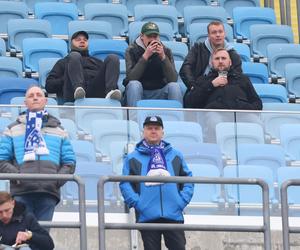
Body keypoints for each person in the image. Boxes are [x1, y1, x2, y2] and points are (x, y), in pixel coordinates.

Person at [0, 86, 76, 221]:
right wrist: (18, 177)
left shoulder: (59, 130)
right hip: (22, 191)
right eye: (31, 96)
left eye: (38, 95)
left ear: (45, 101)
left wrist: (56, 180)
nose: (35, 97)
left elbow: (69, 162)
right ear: (25, 103)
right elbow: (2, 160)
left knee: (41, 238)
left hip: (48, 192)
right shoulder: (12, 129)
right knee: (21, 238)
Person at [120, 116, 194, 250]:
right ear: (143, 132)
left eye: (157, 128)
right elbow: (125, 183)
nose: (153, 131)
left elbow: (188, 179)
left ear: (162, 132)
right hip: (147, 216)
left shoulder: (176, 155)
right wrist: (138, 203)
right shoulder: (132, 158)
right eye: (149, 128)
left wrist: (181, 201)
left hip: (173, 214)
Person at [186, 48, 263, 141]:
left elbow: (257, 103)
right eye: (217, 59)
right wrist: (212, 84)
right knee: (214, 122)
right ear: (212, 63)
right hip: (216, 114)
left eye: (223, 58)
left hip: (241, 114)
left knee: (257, 123)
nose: (220, 61)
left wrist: (243, 107)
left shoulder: (242, 79)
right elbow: (190, 102)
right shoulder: (203, 80)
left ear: (230, 62)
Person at [45, 30, 121, 103]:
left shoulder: (97, 62)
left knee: (113, 58)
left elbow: (109, 79)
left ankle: (110, 93)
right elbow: (49, 86)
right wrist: (67, 76)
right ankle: (78, 89)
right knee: (75, 55)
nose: (82, 41)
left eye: (85, 40)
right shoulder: (63, 62)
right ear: (71, 44)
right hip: (73, 95)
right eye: (78, 39)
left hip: (97, 92)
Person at [179, 21, 242, 107]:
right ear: (208, 35)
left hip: (224, 92)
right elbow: (185, 69)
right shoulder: (198, 49)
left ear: (224, 34)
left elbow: (238, 76)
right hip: (201, 88)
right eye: (214, 32)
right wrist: (193, 87)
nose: (218, 35)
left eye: (220, 32)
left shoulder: (233, 54)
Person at [123, 22, 182, 106]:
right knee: (134, 85)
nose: (152, 39)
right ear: (142, 36)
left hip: (159, 90)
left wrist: (163, 57)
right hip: (139, 91)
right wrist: (145, 56)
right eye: (149, 36)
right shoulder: (131, 50)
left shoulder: (166, 51)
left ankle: (177, 117)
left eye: (155, 36)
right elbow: (131, 78)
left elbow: (173, 79)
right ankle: (134, 118)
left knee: (174, 87)